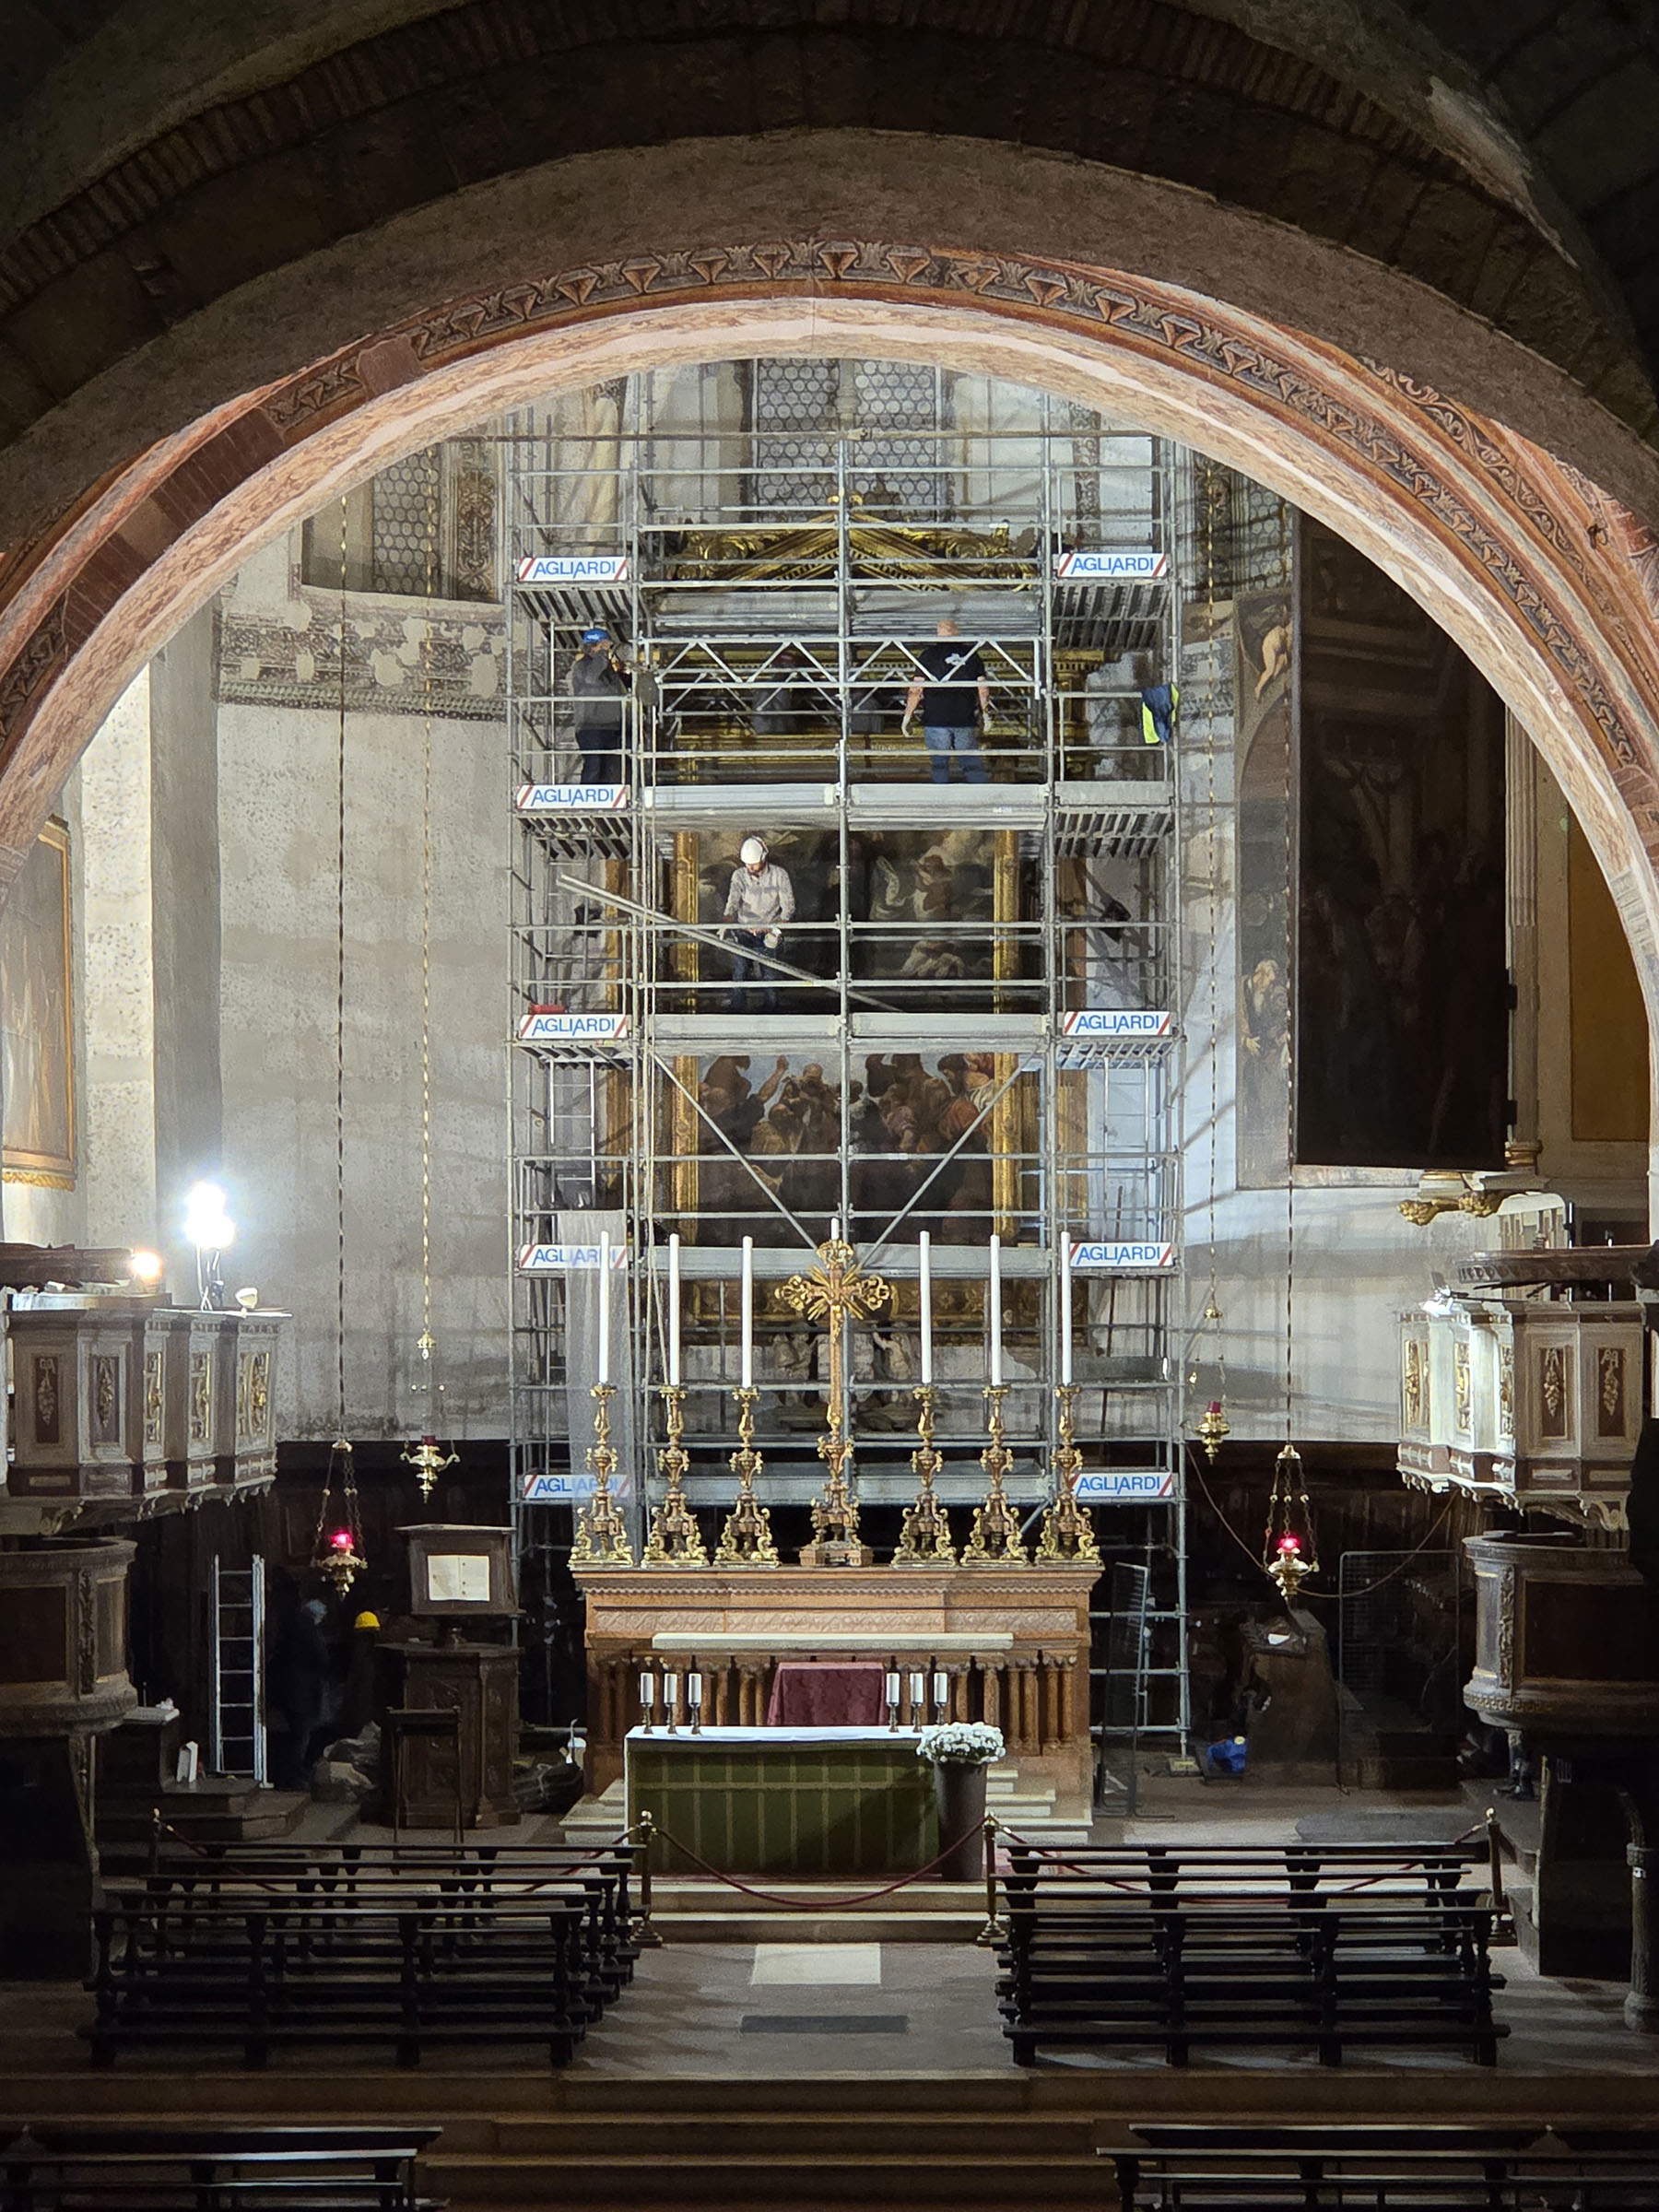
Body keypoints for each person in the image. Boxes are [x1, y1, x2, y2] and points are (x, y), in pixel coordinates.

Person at [903, 617, 990, 783]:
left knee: (940, 764)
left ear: (938, 633)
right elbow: (983, 688)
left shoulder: (928, 655)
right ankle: (982, 796)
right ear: (957, 632)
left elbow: (916, 688)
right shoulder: (971, 654)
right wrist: (985, 714)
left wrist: (907, 716)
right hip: (964, 718)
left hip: (936, 719)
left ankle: (942, 798)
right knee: (970, 762)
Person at [722, 836, 794, 1012]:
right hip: (743, 931)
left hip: (769, 931)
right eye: (747, 864)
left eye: (753, 864)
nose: (750, 868)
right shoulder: (739, 875)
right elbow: (733, 902)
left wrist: (775, 930)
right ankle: (737, 1008)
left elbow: (788, 908)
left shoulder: (779, 875)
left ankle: (771, 1008)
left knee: (770, 973)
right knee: (740, 972)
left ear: (763, 858)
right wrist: (727, 921)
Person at [569, 625, 629, 785]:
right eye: (603, 646)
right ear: (593, 646)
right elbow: (592, 678)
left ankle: (607, 805)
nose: (607, 650)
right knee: (594, 765)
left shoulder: (606, 667)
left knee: (610, 768)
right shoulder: (583, 666)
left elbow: (616, 689)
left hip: (611, 726)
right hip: (590, 725)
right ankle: (588, 802)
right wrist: (602, 654)